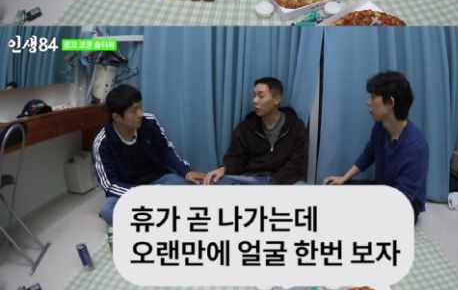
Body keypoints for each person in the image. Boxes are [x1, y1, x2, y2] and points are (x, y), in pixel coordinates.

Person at [323, 71, 429, 224]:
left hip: (405, 207)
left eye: (373, 97)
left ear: (390, 102)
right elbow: (368, 154)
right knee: (335, 190)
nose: (368, 102)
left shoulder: (416, 146)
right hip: (382, 190)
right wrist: (344, 178)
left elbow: (402, 198)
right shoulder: (380, 126)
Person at [93, 84, 204, 225]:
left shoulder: (149, 122)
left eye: (140, 107)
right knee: (107, 210)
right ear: (117, 117)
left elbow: (166, 152)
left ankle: (154, 216)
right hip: (127, 190)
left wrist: (186, 171)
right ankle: (165, 214)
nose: (140, 114)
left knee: (194, 187)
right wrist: (143, 194)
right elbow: (110, 184)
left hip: (160, 180)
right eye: (134, 111)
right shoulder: (102, 143)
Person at [204, 77, 308, 185]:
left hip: (284, 182)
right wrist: (224, 169)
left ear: (276, 99)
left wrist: (274, 183)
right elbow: (236, 157)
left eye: (261, 96)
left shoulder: (296, 127)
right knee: (213, 182)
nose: (255, 100)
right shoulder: (246, 127)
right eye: (254, 96)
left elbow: (297, 163)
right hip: (252, 179)